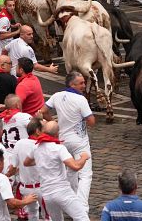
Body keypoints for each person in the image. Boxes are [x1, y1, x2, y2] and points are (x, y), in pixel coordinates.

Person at [39, 71, 95, 218]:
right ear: (72, 84)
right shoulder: (81, 99)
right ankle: (82, 206)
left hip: (62, 139)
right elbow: (91, 121)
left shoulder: (57, 95)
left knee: (70, 172)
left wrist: (53, 122)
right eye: (81, 83)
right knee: (85, 175)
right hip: (79, 141)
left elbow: (43, 110)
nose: (84, 85)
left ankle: (72, 201)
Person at [24, 121, 90, 221]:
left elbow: (26, 163)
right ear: (57, 134)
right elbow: (75, 166)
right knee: (82, 217)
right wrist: (84, 157)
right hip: (62, 191)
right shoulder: (59, 148)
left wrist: (41, 161)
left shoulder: (36, 147)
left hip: (47, 195)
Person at [0, 148, 37, 221]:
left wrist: (9, 174)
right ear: (0, 163)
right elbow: (12, 204)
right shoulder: (1, 179)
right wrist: (26, 200)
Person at [10, 117, 49, 221]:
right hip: (42, 188)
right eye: (43, 129)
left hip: (25, 188)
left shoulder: (19, 143)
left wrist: (5, 176)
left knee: (31, 214)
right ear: (37, 131)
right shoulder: (43, 145)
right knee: (48, 216)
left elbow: (13, 167)